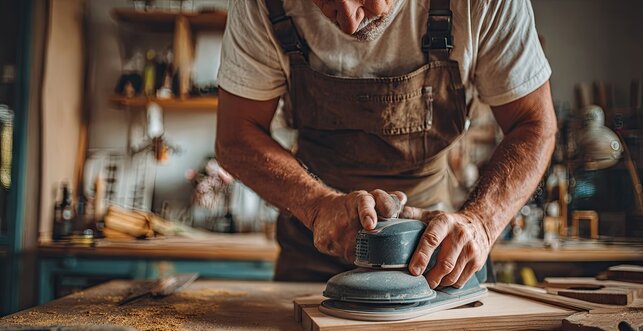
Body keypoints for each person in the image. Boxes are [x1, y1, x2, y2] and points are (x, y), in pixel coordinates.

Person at [215, 0, 557, 288]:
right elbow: (235, 136)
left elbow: (534, 123)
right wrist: (318, 206)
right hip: (317, 244)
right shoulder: (262, 4)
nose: (349, 21)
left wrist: (481, 222)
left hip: (434, 253)